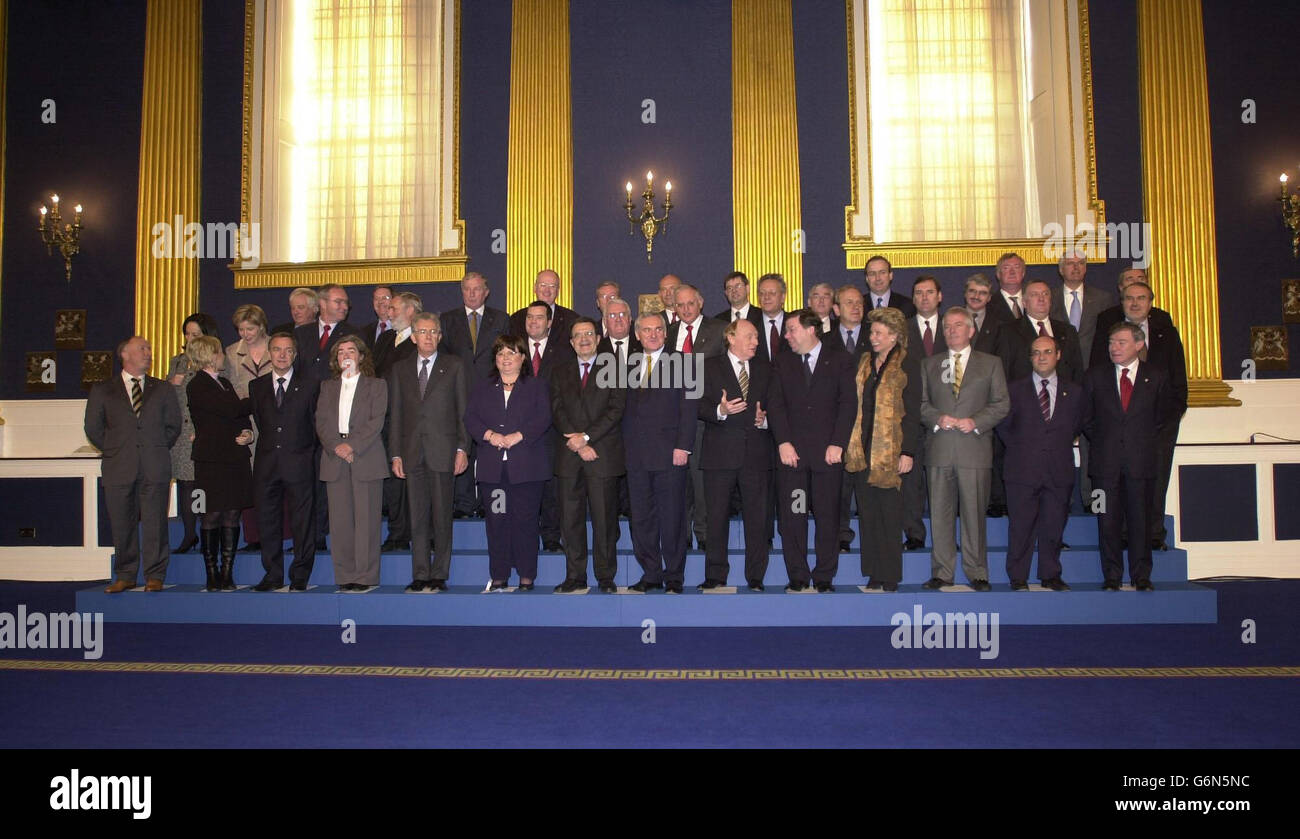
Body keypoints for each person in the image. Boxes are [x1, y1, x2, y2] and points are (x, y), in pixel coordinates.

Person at [1081, 323, 1182, 590]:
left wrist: (1139, 440)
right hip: (1105, 465)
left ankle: (1141, 575)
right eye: (1112, 342)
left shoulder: (1157, 376)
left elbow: (1165, 415)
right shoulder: (1095, 376)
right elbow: (1086, 418)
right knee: (1107, 521)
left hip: (1142, 463)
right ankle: (1111, 576)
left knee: (1141, 522)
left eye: (1121, 342)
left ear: (1139, 345)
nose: (1114, 347)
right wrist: (1108, 441)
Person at [766, 309, 857, 592]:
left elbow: (848, 404)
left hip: (827, 455)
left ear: (810, 330)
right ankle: (798, 575)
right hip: (792, 458)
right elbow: (775, 404)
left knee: (828, 517)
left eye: (792, 329)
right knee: (794, 516)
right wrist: (782, 441)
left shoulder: (840, 359)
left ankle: (824, 576)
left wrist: (838, 443)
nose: (787, 335)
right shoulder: (782, 362)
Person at [919, 307, 1010, 591]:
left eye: (959, 325)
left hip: (975, 449)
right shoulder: (929, 364)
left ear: (971, 330)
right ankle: (942, 572)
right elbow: (920, 404)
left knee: (973, 516)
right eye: (947, 326)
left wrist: (976, 421)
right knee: (940, 515)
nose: (952, 330)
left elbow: (1001, 403)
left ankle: (977, 572)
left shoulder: (991, 363)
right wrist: (937, 418)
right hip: (940, 450)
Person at [85, 336, 181, 593]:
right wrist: (117, 450)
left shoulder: (162, 389)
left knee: (155, 524)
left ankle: (155, 575)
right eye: (142, 349)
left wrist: (154, 446)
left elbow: (173, 426)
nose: (148, 353)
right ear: (125, 354)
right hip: (119, 466)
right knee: (121, 523)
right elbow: (93, 429)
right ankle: (125, 575)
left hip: (154, 465)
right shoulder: (103, 390)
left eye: (149, 348)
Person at [1100, 280, 1188, 550]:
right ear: (1122, 301)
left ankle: (1153, 534)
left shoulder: (1166, 333)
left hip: (1160, 426)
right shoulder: (1109, 331)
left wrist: (1163, 421)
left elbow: (1178, 383)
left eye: (1141, 298)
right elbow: (1099, 376)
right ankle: (1125, 534)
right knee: (1122, 481)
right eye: (1129, 298)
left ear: (1150, 303)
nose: (1135, 303)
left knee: (1157, 479)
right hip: (1122, 424)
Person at [387, 312, 469, 591]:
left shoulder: (454, 365)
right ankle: (420, 573)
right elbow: (396, 414)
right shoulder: (399, 369)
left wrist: (462, 448)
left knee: (442, 515)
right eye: (423, 332)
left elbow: (463, 412)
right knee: (417, 516)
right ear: (413, 337)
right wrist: (395, 453)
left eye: (434, 332)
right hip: (411, 452)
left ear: (440, 336)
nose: (429, 337)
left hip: (444, 450)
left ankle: (439, 574)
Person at [464, 334, 553, 591]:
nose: (506, 359)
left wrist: (518, 436)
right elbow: (470, 418)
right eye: (501, 353)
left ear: (523, 358)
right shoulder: (482, 387)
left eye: (512, 353)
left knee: (526, 522)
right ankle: (499, 574)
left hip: (527, 469)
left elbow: (543, 417)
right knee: (497, 520)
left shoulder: (535, 386)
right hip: (494, 472)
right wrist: (490, 436)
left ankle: (527, 576)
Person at [996, 336, 1085, 591]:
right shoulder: (1013, 389)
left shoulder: (1075, 391)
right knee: (1020, 527)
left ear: (1058, 355)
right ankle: (1018, 577)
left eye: (1047, 352)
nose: (1042, 357)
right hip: (1022, 469)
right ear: (1030, 357)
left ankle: (1050, 574)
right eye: (1036, 353)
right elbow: (1003, 426)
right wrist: (1025, 448)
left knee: (1054, 526)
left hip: (1059, 469)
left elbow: (1076, 425)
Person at [843, 307, 921, 591]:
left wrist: (908, 452)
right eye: (871, 331)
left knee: (889, 516)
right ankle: (874, 572)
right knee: (869, 516)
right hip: (862, 452)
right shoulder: (863, 362)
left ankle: (890, 575)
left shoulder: (908, 365)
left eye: (878, 332)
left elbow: (912, 413)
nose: (872, 337)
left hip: (891, 453)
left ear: (894, 336)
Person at [696, 318, 773, 590]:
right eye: (750, 336)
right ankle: (715, 575)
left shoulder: (765, 368)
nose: (756, 341)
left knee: (758, 520)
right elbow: (697, 406)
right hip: (720, 455)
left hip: (756, 455)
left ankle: (756, 577)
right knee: (716, 519)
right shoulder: (708, 366)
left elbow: (777, 407)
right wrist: (721, 411)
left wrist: (764, 419)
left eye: (756, 337)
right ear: (731, 338)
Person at [621, 312, 696, 593]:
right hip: (636, 456)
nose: (652, 334)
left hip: (670, 454)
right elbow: (622, 411)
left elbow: (690, 410)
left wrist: (683, 446)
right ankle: (651, 573)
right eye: (646, 330)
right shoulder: (625, 365)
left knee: (673, 517)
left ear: (666, 333)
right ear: (637, 334)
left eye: (658, 329)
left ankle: (674, 575)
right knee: (641, 518)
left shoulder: (685, 363)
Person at [551, 318, 626, 592]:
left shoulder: (614, 367)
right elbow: (557, 408)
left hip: (602, 453)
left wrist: (587, 438)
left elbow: (616, 410)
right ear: (571, 342)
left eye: (588, 334)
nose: (583, 339)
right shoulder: (559, 371)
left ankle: (605, 577)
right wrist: (577, 440)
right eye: (578, 335)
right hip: (570, 455)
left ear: (597, 339)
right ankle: (575, 576)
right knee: (570, 520)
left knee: (604, 520)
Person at [315, 335, 389, 591]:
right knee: (340, 522)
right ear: (336, 359)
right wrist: (337, 446)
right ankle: (345, 576)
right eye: (341, 352)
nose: (346, 355)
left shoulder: (376, 385)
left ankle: (365, 577)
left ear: (360, 356)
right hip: (335, 456)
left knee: (366, 521)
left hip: (365, 455)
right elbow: (321, 422)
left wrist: (351, 446)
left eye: (351, 351)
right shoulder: (327, 387)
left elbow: (375, 421)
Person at [248, 333, 320, 591]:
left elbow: (315, 424)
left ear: (295, 354)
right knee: (267, 521)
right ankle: (272, 573)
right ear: (269, 352)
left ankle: (300, 573)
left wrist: (306, 454)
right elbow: (260, 421)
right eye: (277, 349)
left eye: (287, 350)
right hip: (267, 464)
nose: (281, 355)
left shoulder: (311, 384)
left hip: (299, 462)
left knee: (302, 522)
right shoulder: (256, 387)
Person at [186, 336, 255, 591]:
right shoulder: (197, 385)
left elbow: (239, 417)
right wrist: (261, 393)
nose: (224, 356)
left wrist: (247, 433)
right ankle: (211, 571)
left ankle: (227, 571)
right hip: (211, 460)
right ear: (211, 354)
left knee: (232, 513)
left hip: (234, 457)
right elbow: (231, 409)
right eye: (219, 352)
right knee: (210, 514)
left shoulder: (224, 382)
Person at [440, 272, 508, 518]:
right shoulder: (447, 320)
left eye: (476, 289)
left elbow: (507, 356)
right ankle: (463, 503)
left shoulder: (501, 319)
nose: (471, 293)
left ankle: (486, 503)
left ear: (486, 292)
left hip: (491, 395)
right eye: (467, 289)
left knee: (489, 450)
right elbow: (444, 359)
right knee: (462, 447)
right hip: (457, 394)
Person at [667, 282, 724, 551]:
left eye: (691, 303)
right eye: (680, 305)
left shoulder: (719, 330)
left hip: (705, 418)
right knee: (678, 482)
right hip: (673, 419)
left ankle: (703, 532)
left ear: (701, 302)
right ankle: (682, 533)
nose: (686, 309)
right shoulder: (666, 333)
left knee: (701, 482)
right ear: (674, 308)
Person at [167, 312, 219, 554]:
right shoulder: (177, 362)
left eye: (195, 334)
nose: (190, 338)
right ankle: (189, 535)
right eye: (187, 334)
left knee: (204, 485)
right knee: (186, 485)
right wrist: (171, 384)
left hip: (204, 431)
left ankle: (207, 532)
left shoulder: (217, 361)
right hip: (181, 434)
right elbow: (166, 399)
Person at [826, 285, 872, 552]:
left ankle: (871, 536)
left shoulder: (876, 338)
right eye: (849, 303)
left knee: (868, 488)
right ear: (835, 309)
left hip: (870, 426)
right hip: (836, 425)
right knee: (839, 487)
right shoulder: (825, 341)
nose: (856, 307)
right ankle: (841, 535)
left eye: (859, 303)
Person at [902, 276, 947, 542]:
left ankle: (943, 537)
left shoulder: (953, 327)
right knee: (911, 480)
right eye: (919, 293)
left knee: (943, 481)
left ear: (940, 296)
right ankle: (914, 533)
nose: (925, 297)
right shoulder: (903, 330)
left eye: (930, 292)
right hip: (911, 414)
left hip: (947, 415)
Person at [225, 304, 273, 552]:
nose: (245, 334)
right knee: (250, 479)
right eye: (241, 329)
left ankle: (278, 533)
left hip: (275, 418)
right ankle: (254, 536)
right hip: (247, 422)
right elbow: (229, 388)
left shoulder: (277, 346)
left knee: (275, 477)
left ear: (261, 326)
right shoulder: (232, 353)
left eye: (250, 328)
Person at [1050, 250, 1114, 369]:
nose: (1075, 267)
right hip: (1059, 365)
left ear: (1085, 269)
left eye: (1080, 263)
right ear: (1061, 270)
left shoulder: (1102, 298)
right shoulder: (1049, 298)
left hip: (1093, 365)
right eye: (1070, 263)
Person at [509, 269, 578, 343]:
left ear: (558, 291)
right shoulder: (516, 319)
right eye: (543, 285)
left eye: (552, 286)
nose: (547, 290)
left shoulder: (572, 319)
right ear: (535, 288)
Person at [754, 273, 792, 366]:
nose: (766, 297)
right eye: (762, 293)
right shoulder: (751, 324)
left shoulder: (795, 324)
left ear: (783, 297)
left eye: (772, 293)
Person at [988, 252, 1027, 323]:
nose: (1012, 272)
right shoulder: (988, 305)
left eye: (1016, 267)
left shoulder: (1033, 300)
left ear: (1023, 273)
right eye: (1006, 268)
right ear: (998, 274)